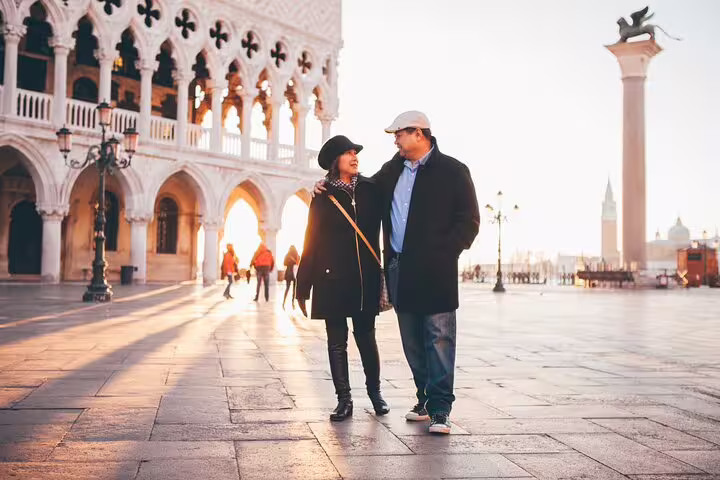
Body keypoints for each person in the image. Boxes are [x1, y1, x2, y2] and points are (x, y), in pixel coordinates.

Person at [314, 111, 479, 434]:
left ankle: (441, 409)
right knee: (413, 343)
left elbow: (469, 221)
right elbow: (359, 187)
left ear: (419, 134)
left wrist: (446, 253)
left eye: (399, 134)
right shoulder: (392, 170)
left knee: (440, 338)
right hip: (400, 268)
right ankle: (424, 399)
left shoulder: (454, 171)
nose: (394, 140)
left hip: (437, 271)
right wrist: (326, 185)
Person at [296, 135, 389, 422]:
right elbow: (310, 240)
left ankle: (375, 394)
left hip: (365, 281)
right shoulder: (323, 197)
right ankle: (344, 400)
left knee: (366, 339)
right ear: (335, 161)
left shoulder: (372, 189)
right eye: (348, 153)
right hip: (331, 279)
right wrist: (302, 286)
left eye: (355, 153)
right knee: (337, 342)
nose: (354, 157)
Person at [282, 245, 300, 310]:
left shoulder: (287, 255)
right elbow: (299, 263)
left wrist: (289, 262)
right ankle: (293, 303)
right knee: (294, 289)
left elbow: (284, 263)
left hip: (288, 272)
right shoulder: (297, 255)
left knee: (287, 288)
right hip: (295, 273)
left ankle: (283, 302)